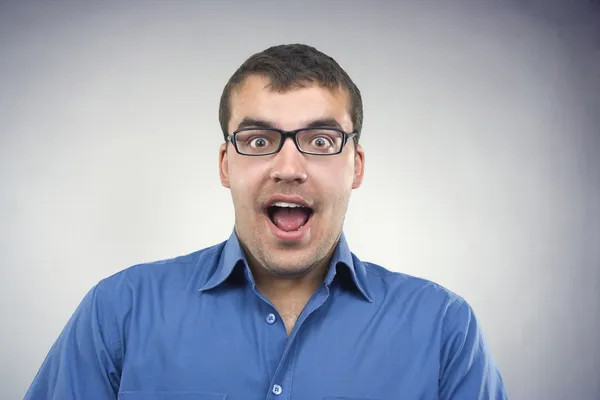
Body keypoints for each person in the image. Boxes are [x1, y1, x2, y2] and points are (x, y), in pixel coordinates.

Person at [25, 44, 508, 399]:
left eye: (320, 141)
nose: (289, 167)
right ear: (224, 164)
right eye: (259, 141)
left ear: (356, 165)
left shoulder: (443, 326)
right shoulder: (119, 312)